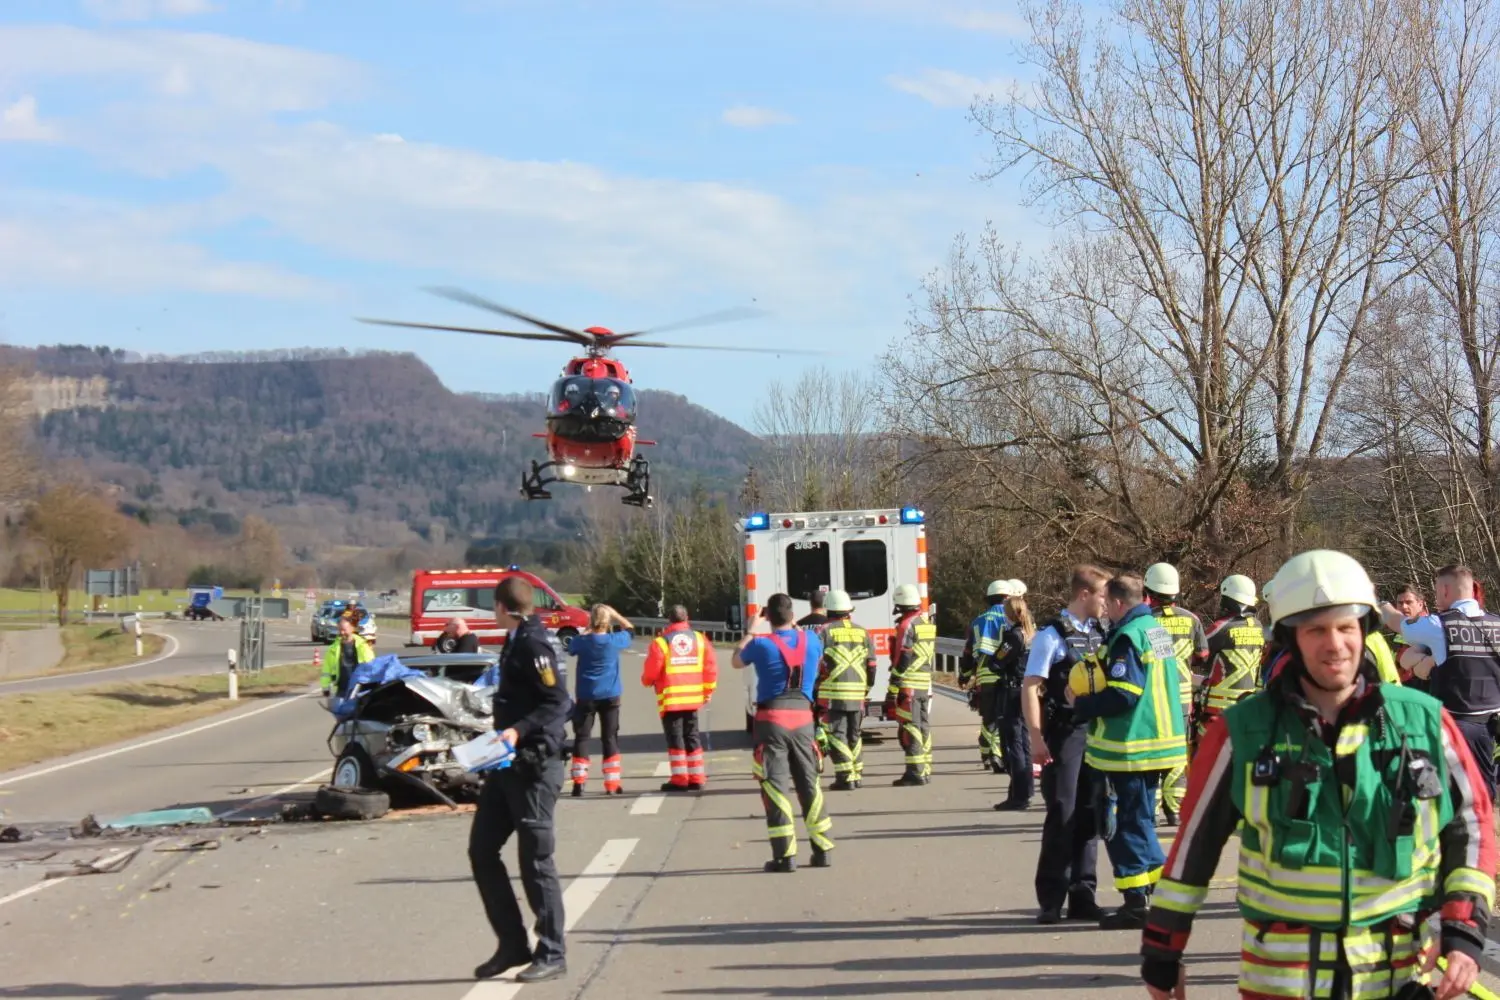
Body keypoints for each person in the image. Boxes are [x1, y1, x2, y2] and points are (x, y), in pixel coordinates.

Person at [1142, 549, 1495, 1000]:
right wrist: (1162, 952)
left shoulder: (1425, 722)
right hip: (1283, 984)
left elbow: (1473, 826)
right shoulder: (1243, 732)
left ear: (1364, 631)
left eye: (1346, 627)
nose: (1335, 644)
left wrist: (1463, 930)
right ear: (1291, 638)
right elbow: (1194, 848)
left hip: (1397, 979)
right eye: (1316, 630)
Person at [469, 576, 572, 984]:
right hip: (506, 765)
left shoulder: (533, 643)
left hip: (534, 766)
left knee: (535, 861)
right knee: (481, 849)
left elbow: (558, 700)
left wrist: (519, 729)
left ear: (499, 607)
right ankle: (512, 944)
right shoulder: (515, 640)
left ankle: (552, 951)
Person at [1069, 573, 1185, 930]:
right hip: (1160, 742)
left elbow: (1123, 693)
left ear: (1119, 603)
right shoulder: (1156, 630)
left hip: (1132, 747)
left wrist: (1082, 704)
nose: (1105, 609)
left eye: (1108, 603)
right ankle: (1160, 894)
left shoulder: (1127, 637)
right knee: (1143, 821)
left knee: (1123, 826)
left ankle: (1136, 904)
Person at [1023, 564, 1110, 924]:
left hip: (1098, 733)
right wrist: (1036, 736)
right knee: (1063, 812)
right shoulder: (1052, 634)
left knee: (1091, 814)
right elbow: (1030, 686)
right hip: (1066, 733)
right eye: (1103, 595)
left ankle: (1083, 894)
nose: (1108, 602)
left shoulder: (1103, 632)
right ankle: (1051, 897)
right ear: (1084, 594)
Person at [1381, 564, 1500, 800]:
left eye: (1436, 591)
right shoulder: (1496, 623)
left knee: (1450, 796)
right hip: (1490, 727)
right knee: (1483, 793)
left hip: (1454, 725)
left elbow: (1399, 625)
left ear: (1445, 590)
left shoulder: (1440, 625)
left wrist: (1383, 608)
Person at [734, 592, 833, 872]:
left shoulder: (761, 644)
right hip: (804, 719)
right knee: (809, 785)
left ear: (769, 617)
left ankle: (785, 856)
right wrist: (798, 628)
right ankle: (822, 849)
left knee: (775, 787)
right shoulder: (812, 640)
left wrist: (751, 631)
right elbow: (807, 644)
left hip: (772, 720)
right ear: (792, 615)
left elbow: (736, 660)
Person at [1144, 562, 1207, 825]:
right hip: (1182, 700)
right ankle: (1175, 809)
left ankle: (1152, 809)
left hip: (1153, 697)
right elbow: (1202, 655)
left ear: (1149, 591)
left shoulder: (1144, 621)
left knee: (1152, 751)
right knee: (1178, 753)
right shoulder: (1192, 619)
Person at [642, 605, 717, 791]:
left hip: (672, 699)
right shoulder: (700, 639)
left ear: (669, 619)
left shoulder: (661, 642)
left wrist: (646, 681)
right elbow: (711, 668)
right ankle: (697, 777)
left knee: (676, 739)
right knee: (692, 736)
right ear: (687, 618)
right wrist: (708, 692)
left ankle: (680, 779)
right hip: (693, 699)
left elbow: (652, 671)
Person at [566, 604, 633, 797]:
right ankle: (612, 784)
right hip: (610, 694)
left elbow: (571, 647)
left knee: (582, 737)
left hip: (586, 695)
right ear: (607, 621)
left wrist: (588, 628)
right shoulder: (614, 640)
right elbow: (630, 630)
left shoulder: (582, 641)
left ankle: (579, 782)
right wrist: (616, 614)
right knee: (610, 737)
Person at [814, 588, 876, 790]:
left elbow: (815, 663)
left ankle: (845, 775)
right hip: (858, 692)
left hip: (834, 692)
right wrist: (866, 687)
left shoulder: (822, 632)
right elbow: (872, 666)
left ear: (828, 610)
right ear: (849, 610)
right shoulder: (863, 631)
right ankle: (857, 774)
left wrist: (813, 689)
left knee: (836, 734)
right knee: (854, 734)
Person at [1192, 574, 1265, 746]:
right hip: (1247, 709)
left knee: (1205, 760)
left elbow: (1199, 654)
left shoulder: (1222, 627)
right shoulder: (1258, 626)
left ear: (1228, 599)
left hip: (1217, 712)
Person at [886, 583, 937, 786]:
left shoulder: (907, 625)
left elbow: (903, 656)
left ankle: (915, 772)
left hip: (909, 684)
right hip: (924, 683)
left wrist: (893, 685)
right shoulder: (926, 622)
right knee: (923, 726)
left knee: (911, 727)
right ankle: (924, 769)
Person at [960, 579, 1014, 773]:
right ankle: (996, 755)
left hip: (985, 677)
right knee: (1003, 717)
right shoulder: (1012, 618)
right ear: (1008, 597)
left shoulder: (978, 621)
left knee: (988, 717)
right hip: (1006, 675)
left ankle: (986, 753)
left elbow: (968, 653)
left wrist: (964, 676)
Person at [992, 587, 1037, 812]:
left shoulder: (1013, 636)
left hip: (1012, 692)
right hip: (1027, 691)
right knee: (1025, 743)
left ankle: (1018, 794)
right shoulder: (1032, 634)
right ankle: (1025, 790)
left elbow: (996, 661)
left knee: (1013, 744)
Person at [319, 615, 374, 697]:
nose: (342, 633)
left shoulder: (362, 646)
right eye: (340, 630)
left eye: (344, 630)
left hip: (359, 689)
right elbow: (326, 670)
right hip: (341, 689)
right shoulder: (333, 649)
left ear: (352, 628)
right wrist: (325, 687)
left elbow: (372, 666)